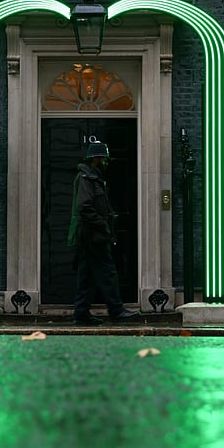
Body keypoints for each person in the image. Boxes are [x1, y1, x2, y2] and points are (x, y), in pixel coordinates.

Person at [67, 138, 140, 325]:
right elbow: (84, 206)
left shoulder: (94, 178)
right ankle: (116, 310)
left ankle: (81, 313)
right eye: (105, 159)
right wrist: (103, 224)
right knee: (107, 272)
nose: (107, 162)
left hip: (91, 235)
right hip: (93, 235)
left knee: (87, 275)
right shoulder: (87, 179)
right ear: (97, 159)